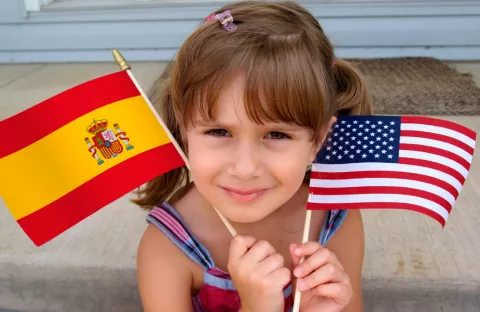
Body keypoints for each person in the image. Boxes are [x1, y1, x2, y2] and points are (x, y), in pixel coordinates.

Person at [134, 1, 372, 311]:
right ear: (182, 130)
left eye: (277, 135)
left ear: (317, 140)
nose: (245, 168)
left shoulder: (334, 221)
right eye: (219, 132)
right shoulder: (166, 247)